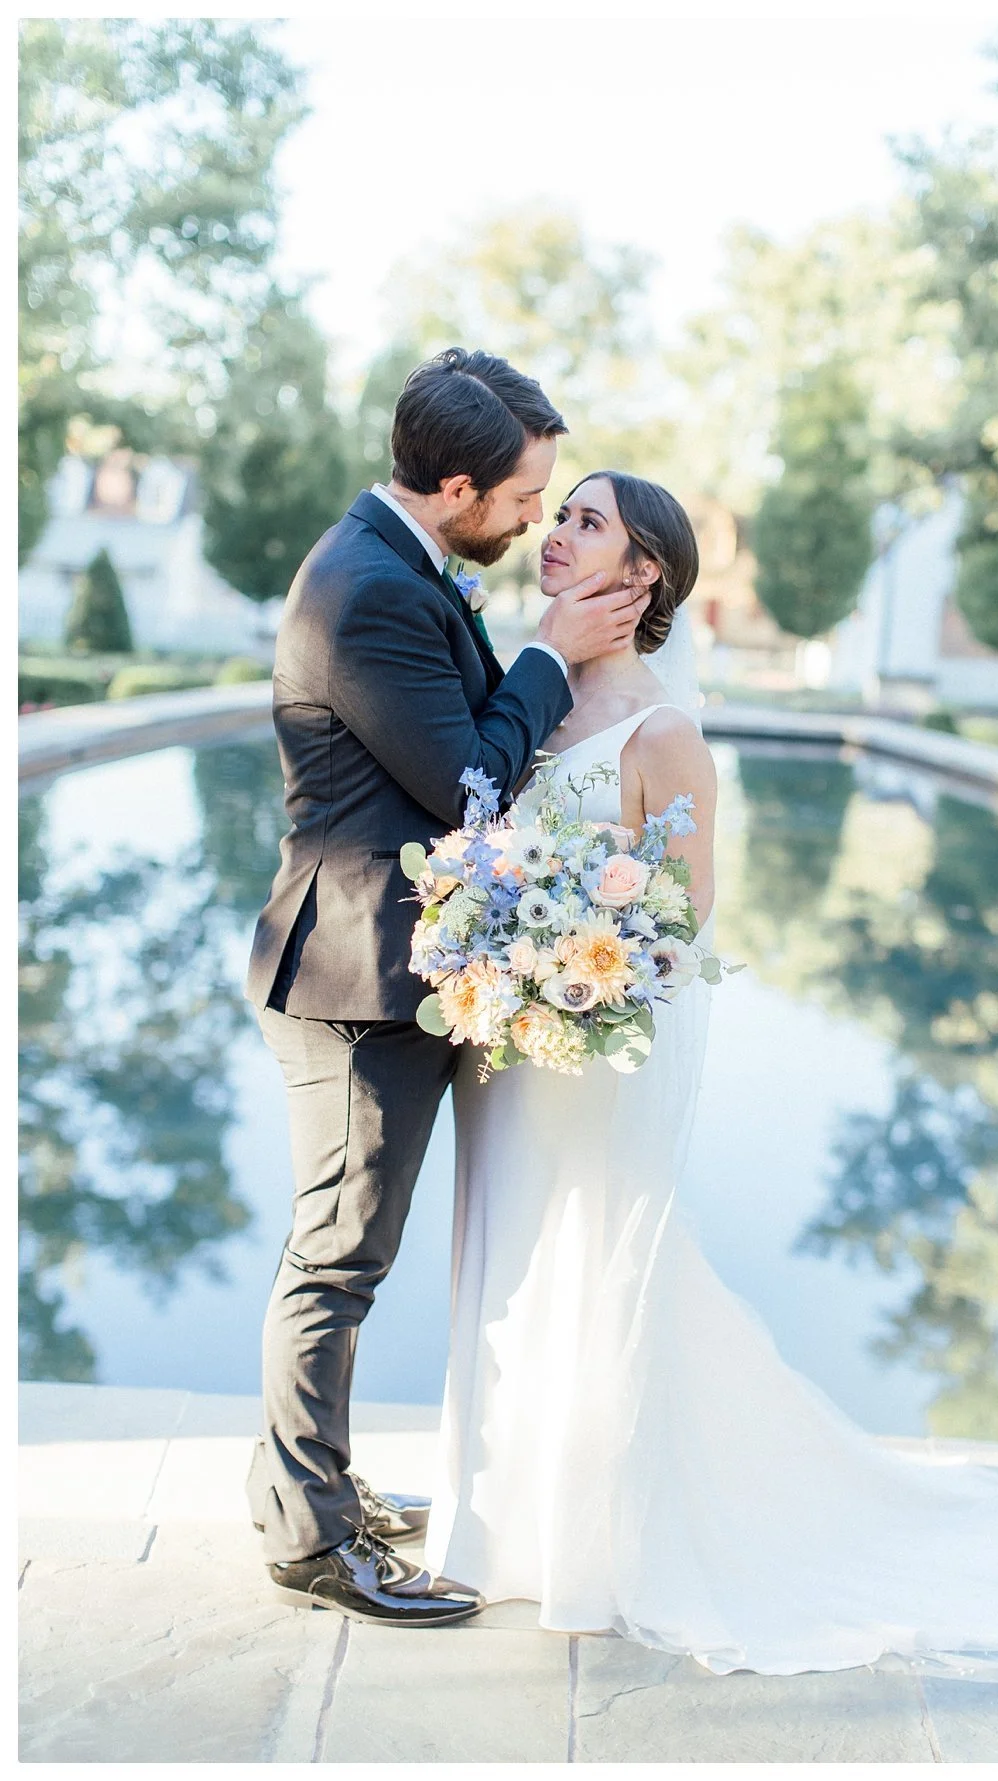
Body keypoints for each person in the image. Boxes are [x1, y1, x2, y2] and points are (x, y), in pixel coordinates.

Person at [423, 469, 998, 1680]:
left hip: (589, 1050)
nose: (557, 533)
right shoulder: (529, 689)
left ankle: (594, 1543)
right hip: (502, 1048)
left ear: (644, 571)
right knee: (503, 1253)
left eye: (587, 521)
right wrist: (487, 956)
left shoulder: (664, 732)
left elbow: (686, 918)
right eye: (559, 516)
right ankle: (499, 1516)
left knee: (593, 1258)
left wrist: (564, 968)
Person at [243, 350, 650, 1626]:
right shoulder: (364, 590)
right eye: (528, 496)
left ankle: (319, 1491)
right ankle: (309, 1539)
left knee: (346, 1246)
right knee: (338, 1254)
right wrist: (547, 655)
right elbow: (466, 776)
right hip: (355, 971)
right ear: (460, 483)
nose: (537, 518)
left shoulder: (403, 562)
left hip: (397, 960)